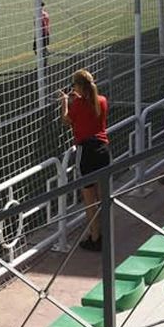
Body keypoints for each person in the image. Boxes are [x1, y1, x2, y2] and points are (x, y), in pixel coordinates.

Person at [60, 69, 110, 252]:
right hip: (103, 150)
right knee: (103, 196)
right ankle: (104, 232)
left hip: (86, 152)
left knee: (89, 199)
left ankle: (95, 238)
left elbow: (66, 120)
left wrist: (65, 102)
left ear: (79, 86)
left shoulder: (78, 105)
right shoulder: (102, 101)